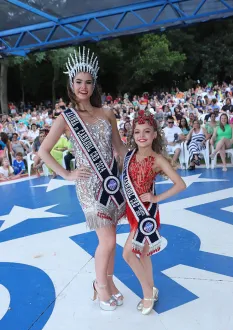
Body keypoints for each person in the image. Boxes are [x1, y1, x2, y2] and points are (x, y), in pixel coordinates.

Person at [38, 47, 126, 311]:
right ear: (71, 84)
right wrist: (66, 173)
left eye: (88, 82)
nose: (83, 87)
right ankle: (100, 287)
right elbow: (43, 151)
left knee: (111, 239)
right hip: (88, 186)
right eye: (79, 82)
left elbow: (119, 149)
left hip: (111, 183)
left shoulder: (107, 113)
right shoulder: (66, 118)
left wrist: (140, 160)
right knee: (107, 241)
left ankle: (108, 283)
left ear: (94, 84)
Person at [122, 111, 186, 315]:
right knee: (142, 253)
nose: (142, 135)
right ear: (133, 135)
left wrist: (156, 198)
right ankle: (152, 288)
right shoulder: (128, 156)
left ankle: (147, 291)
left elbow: (180, 184)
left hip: (146, 215)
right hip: (133, 211)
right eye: (137, 132)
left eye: (147, 131)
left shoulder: (157, 159)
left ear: (154, 135)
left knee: (128, 254)